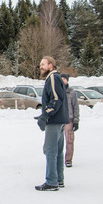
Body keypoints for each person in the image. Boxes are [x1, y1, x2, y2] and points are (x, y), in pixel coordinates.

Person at [35, 56, 69, 191]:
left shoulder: (53, 78)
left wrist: (46, 114)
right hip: (59, 120)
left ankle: (52, 181)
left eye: (43, 64)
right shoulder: (54, 78)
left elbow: (56, 99)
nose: (40, 67)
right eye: (40, 64)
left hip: (54, 120)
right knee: (58, 151)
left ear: (51, 65)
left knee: (50, 151)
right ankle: (59, 180)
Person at [60, 74, 80, 168]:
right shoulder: (57, 90)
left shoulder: (72, 92)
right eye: (61, 79)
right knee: (57, 141)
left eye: (64, 79)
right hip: (59, 120)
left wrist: (76, 121)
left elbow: (76, 107)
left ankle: (68, 159)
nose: (63, 80)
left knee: (70, 140)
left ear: (67, 80)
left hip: (69, 119)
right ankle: (57, 159)